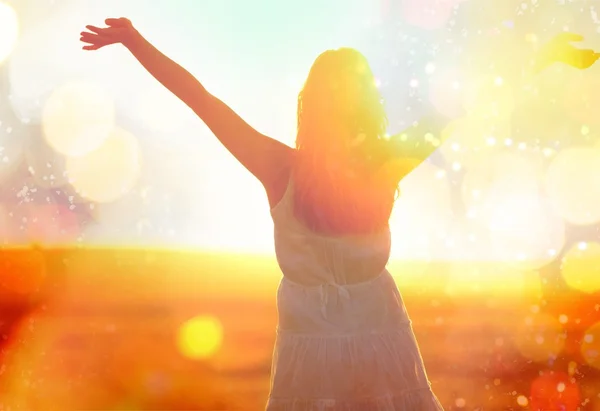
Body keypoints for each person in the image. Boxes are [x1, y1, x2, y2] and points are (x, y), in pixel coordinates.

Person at [80, 18, 599, 410]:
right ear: (366, 106)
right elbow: (473, 102)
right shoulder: (387, 162)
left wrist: (134, 40)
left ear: (313, 105)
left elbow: (202, 99)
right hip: (381, 346)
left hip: (320, 356)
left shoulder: (278, 168)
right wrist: (544, 56)